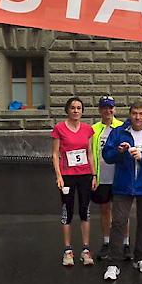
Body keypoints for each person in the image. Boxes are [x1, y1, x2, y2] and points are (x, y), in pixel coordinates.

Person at [101, 101, 142, 280]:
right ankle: (114, 262)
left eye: (141, 114)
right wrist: (119, 151)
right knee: (119, 222)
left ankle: (141, 258)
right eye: (135, 113)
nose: (138, 117)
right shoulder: (119, 132)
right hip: (123, 184)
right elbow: (107, 156)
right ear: (130, 114)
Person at [51, 97, 97, 267]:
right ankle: (68, 250)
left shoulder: (87, 130)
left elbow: (90, 153)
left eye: (79, 108)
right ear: (67, 110)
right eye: (73, 108)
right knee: (67, 211)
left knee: (85, 211)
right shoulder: (59, 129)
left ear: (82, 111)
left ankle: (85, 249)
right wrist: (59, 176)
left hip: (85, 174)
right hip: (67, 176)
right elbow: (55, 154)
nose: (76, 111)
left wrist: (94, 175)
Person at [89, 96, 126, 261]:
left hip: (119, 176)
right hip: (102, 176)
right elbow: (90, 153)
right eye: (104, 108)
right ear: (99, 110)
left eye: (110, 108)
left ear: (114, 109)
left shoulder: (122, 127)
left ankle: (125, 243)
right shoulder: (94, 129)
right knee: (105, 210)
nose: (108, 111)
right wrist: (93, 174)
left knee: (121, 212)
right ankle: (106, 242)